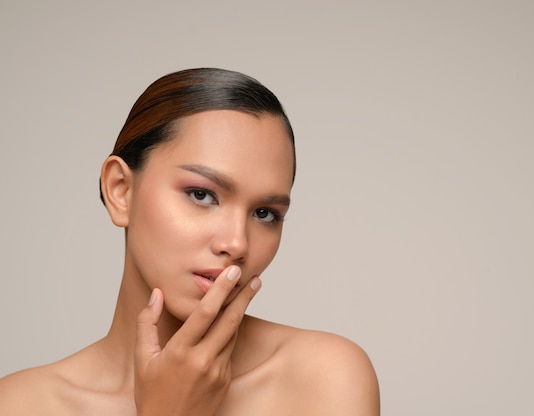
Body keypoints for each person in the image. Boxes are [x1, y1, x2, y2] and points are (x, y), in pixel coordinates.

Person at [0, 68, 380, 415]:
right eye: (202, 194)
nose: (237, 243)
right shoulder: (20, 404)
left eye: (265, 213)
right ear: (120, 191)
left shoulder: (323, 379)